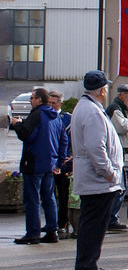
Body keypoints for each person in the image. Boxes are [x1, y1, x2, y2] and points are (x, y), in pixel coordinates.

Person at [71, 70, 123, 270]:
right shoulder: (92, 112)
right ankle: (87, 264)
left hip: (93, 179)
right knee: (94, 224)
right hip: (98, 180)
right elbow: (96, 147)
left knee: (91, 223)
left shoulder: (86, 108)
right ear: (102, 90)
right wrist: (110, 173)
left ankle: (87, 263)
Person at [12, 87, 68, 244]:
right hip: (50, 163)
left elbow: (27, 135)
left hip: (34, 162)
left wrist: (17, 124)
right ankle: (52, 231)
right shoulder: (55, 117)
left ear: (39, 100)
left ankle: (33, 233)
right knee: (49, 198)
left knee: (32, 199)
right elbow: (64, 140)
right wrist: (59, 161)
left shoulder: (37, 115)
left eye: (32, 98)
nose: (30, 100)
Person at [105, 83, 128, 231]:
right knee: (120, 189)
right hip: (118, 157)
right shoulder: (116, 109)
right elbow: (123, 127)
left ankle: (112, 217)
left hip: (122, 156)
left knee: (121, 189)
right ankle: (111, 219)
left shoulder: (120, 109)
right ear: (122, 95)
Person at [48, 90, 73, 239]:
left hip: (64, 162)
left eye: (53, 103)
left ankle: (62, 222)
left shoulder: (68, 119)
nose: (51, 105)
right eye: (49, 102)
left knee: (63, 195)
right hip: (50, 162)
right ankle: (51, 222)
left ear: (60, 104)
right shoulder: (45, 116)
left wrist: (71, 156)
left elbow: (72, 139)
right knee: (49, 194)